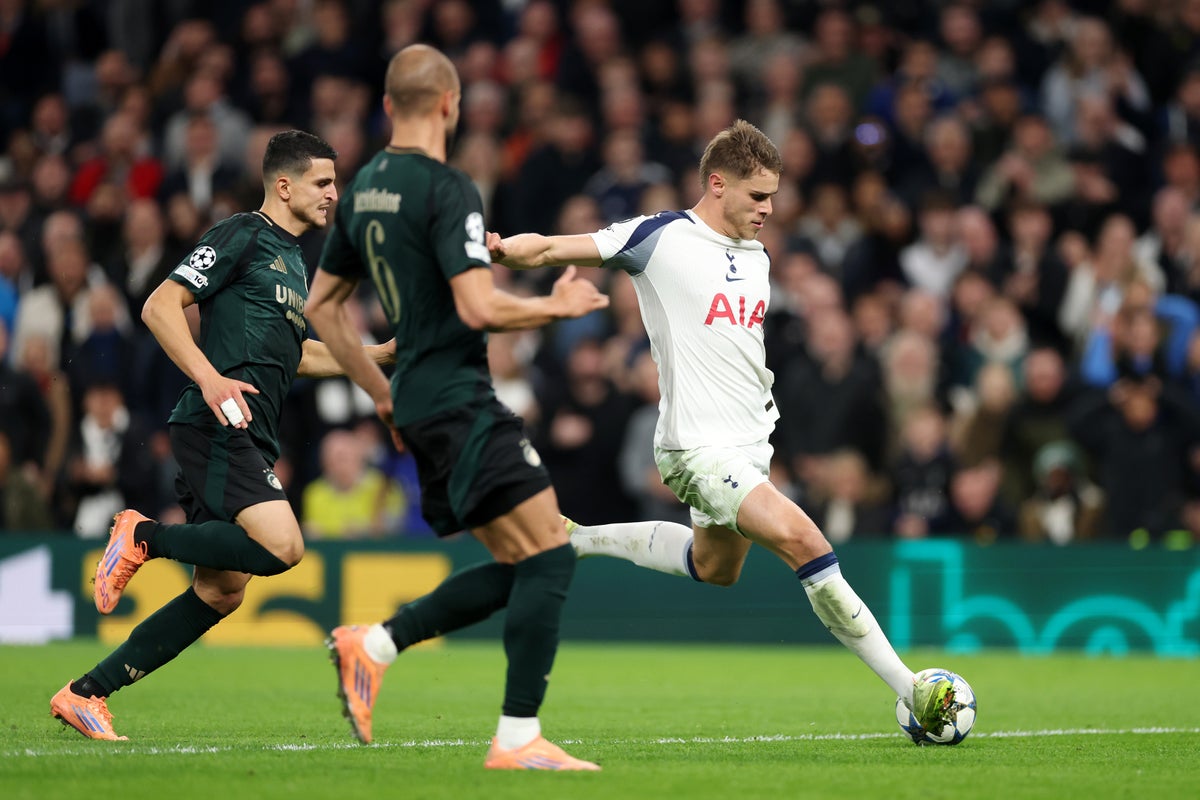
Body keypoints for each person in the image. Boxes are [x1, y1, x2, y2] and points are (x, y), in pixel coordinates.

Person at [487, 119, 952, 734]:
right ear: (717, 184)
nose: (767, 210)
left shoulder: (756, 255)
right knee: (807, 544)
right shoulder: (660, 237)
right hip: (697, 448)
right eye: (757, 196)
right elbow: (552, 246)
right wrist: (500, 249)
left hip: (749, 446)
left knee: (716, 568)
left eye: (773, 198)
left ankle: (572, 538)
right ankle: (913, 690)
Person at [304, 44, 606, 771]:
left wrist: (382, 394)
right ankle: (517, 739)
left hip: (418, 403)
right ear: (450, 104)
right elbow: (476, 305)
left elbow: (323, 307)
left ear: (387, 107)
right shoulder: (449, 188)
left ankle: (371, 646)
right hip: (459, 397)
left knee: (526, 562)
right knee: (553, 556)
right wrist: (554, 308)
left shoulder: (366, 184)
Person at [49, 130, 396, 740]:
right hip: (215, 422)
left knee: (221, 591)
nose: (333, 195)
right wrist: (210, 378)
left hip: (249, 431)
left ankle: (85, 693)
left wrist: (377, 355)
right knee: (284, 547)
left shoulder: (292, 259)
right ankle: (144, 536)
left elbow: (299, 356)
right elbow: (160, 305)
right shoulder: (242, 235)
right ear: (283, 185)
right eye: (323, 183)